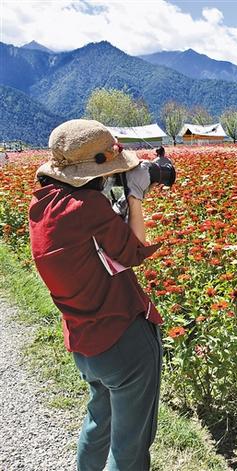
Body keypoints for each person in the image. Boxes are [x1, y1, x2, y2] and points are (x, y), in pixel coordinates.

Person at [28, 119, 163, 471]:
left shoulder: (42, 207)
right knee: (130, 447)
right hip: (124, 341)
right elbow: (133, 251)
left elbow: (89, 249)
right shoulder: (88, 208)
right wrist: (135, 195)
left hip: (85, 343)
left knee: (98, 421)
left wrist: (111, 210)